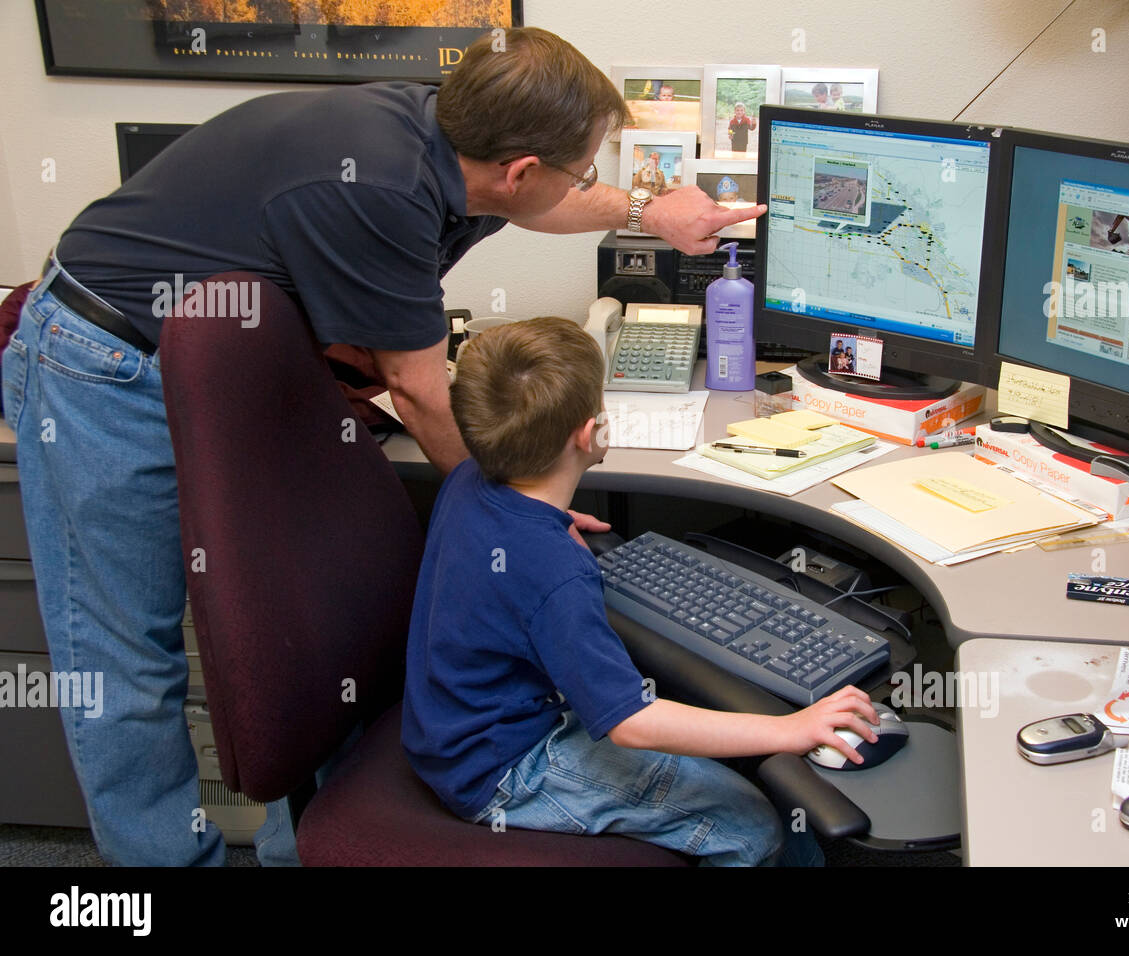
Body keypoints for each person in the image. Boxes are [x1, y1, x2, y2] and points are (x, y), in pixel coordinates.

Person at [0, 26, 761, 867]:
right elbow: (420, 391)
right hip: (101, 359)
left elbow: (544, 200)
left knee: (302, 621)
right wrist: (523, 510)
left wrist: (646, 209)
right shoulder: (384, 195)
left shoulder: (448, 136)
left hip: (227, 362)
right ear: (518, 170)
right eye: (583, 169)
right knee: (126, 664)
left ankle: (297, 849)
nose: (584, 184)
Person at [402, 317, 880, 865]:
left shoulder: (468, 477)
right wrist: (790, 728)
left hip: (446, 728)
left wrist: (553, 522)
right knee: (753, 825)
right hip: (504, 769)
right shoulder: (555, 573)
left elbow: (504, 542)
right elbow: (631, 724)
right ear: (589, 434)